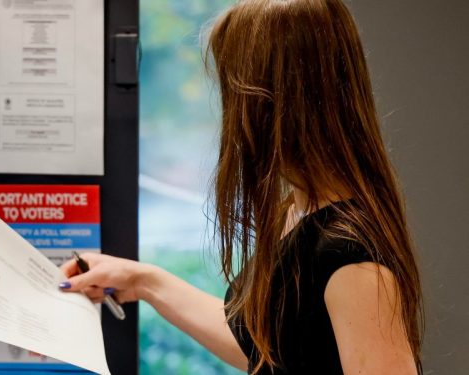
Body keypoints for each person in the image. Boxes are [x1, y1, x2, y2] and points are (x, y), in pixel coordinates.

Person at [58, 0, 423, 374]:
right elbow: (267, 348)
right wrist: (144, 281)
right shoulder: (298, 211)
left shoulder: (353, 259)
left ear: (273, 102)